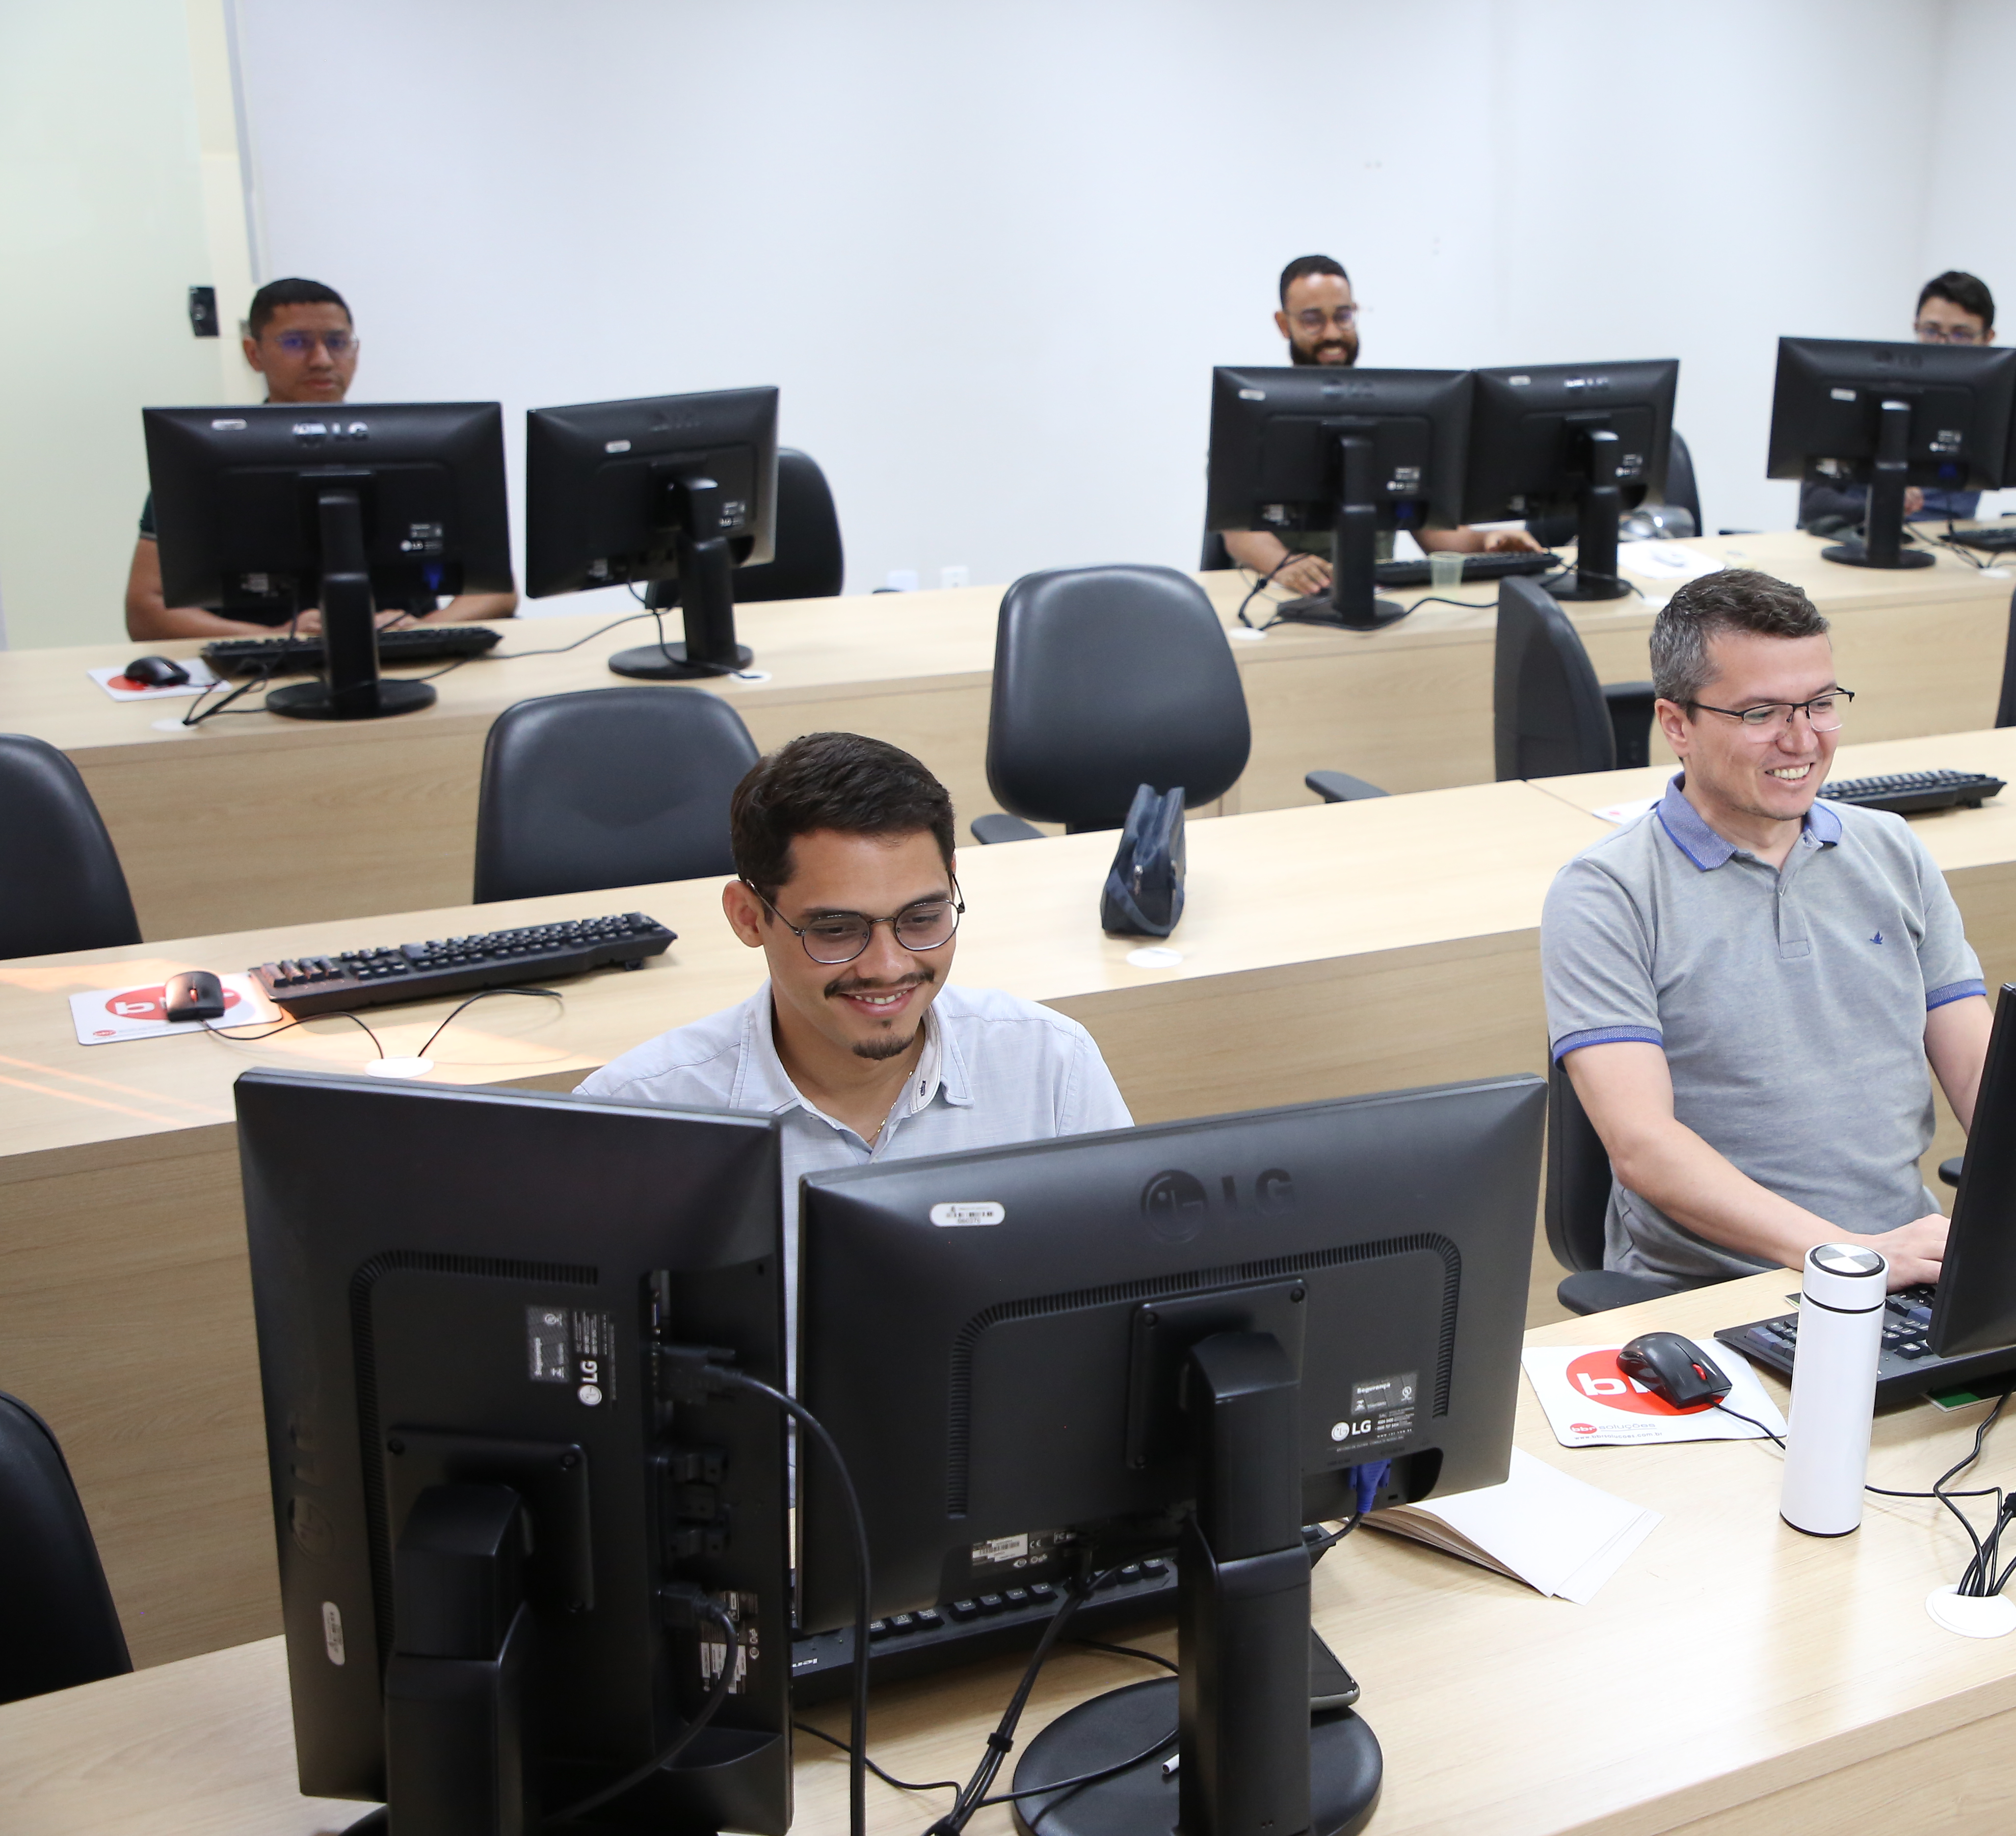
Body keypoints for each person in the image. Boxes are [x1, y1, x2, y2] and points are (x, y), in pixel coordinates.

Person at [574, 732, 1133, 1324]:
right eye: (837, 930)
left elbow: (1126, 1308)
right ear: (748, 917)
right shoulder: (634, 1120)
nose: (888, 967)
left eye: (922, 918)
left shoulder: (1051, 1067)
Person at [1540, 569, 1992, 1290]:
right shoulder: (1607, 892)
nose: (1802, 739)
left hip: (1907, 1266)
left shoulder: (1892, 851)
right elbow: (1643, 1147)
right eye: (1762, 714)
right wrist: (1847, 1257)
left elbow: (1980, 1075)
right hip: (1712, 1291)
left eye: (1819, 704)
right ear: (1677, 724)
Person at [123, 277, 517, 641]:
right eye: (296, 343)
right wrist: (276, 639)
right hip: (259, 673)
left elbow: (497, 591)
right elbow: (146, 609)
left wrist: (426, 629)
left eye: (338, 342)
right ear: (253, 353)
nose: (323, 360)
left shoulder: (421, 449)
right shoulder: (207, 459)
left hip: (408, 659)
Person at [1219, 253, 1541, 597]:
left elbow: (1432, 527)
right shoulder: (1253, 416)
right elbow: (1239, 533)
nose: (1332, 333)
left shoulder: (1396, 415)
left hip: (1374, 597)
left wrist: (1486, 542)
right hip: (1278, 598)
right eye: (1313, 320)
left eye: (1343, 317)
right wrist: (1286, 564)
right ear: (1284, 324)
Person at [1797, 269, 2016, 539]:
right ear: (1915, 327)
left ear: (1988, 339)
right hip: (1852, 540)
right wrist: (1882, 501)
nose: (1942, 346)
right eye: (1931, 331)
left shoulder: (1995, 408)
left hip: (1946, 547)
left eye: (1961, 335)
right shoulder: (1867, 396)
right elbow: (1814, 504)